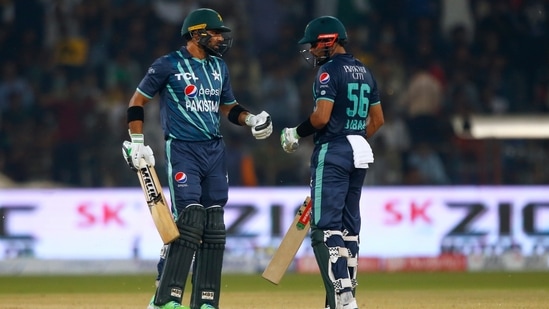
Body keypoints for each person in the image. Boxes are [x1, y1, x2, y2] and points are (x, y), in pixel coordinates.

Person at [121, 8, 272, 309]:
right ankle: (165, 298)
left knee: (214, 224)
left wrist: (251, 119)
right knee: (189, 220)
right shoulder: (168, 64)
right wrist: (137, 141)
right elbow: (137, 101)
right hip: (183, 149)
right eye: (214, 33)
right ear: (195, 34)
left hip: (214, 151)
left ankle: (205, 300)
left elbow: (227, 107)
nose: (219, 38)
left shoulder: (219, 66)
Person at [280, 16, 384, 309]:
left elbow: (322, 117)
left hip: (334, 151)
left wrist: (296, 133)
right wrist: (354, 137)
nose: (311, 51)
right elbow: (378, 120)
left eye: (314, 44)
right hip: (359, 150)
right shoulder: (365, 71)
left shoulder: (328, 72)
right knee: (349, 230)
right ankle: (346, 299)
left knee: (326, 229)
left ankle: (342, 301)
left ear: (329, 41)